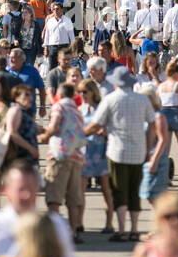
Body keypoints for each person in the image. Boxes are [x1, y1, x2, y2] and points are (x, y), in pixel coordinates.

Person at [85, 66, 156, 242]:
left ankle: (122, 230)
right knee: (134, 191)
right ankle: (134, 229)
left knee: (119, 190)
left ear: (115, 83)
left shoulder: (110, 99)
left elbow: (96, 123)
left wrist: (80, 134)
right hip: (139, 151)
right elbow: (152, 124)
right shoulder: (142, 100)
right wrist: (148, 148)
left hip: (117, 151)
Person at [38, 82, 88, 243]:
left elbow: (53, 127)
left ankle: (54, 233)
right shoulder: (77, 110)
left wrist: (43, 137)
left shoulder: (59, 107)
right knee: (73, 197)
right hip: (76, 156)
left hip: (59, 154)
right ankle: (73, 231)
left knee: (54, 195)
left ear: (59, 94)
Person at [80, 80, 116, 234]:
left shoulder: (102, 108)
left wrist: (104, 132)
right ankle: (78, 223)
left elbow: (112, 128)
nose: (82, 95)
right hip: (85, 151)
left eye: (85, 92)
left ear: (93, 92)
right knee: (80, 190)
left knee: (106, 189)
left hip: (101, 151)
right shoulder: (80, 109)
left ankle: (109, 223)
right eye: (80, 92)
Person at [137, 83, 172, 204]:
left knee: (155, 195)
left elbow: (163, 140)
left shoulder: (158, 117)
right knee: (148, 194)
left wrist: (154, 161)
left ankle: (165, 219)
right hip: (146, 159)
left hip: (157, 159)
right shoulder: (145, 116)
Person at [3, 83, 41, 165]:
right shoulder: (15, 110)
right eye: (26, 95)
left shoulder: (24, 112)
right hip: (20, 158)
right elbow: (12, 132)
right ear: (16, 98)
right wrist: (31, 149)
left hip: (28, 159)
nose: (31, 98)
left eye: (31, 95)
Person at [43, 1, 75, 71]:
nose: (55, 11)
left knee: (64, 67)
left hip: (64, 46)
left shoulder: (67, 20)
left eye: (57, 9)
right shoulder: (50, 21)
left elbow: (72, 36)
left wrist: (73, 49)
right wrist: (45, 48)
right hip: (52, 47)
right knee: (51, 67)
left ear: (62, 10)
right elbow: (47, 35)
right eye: (54, 9)